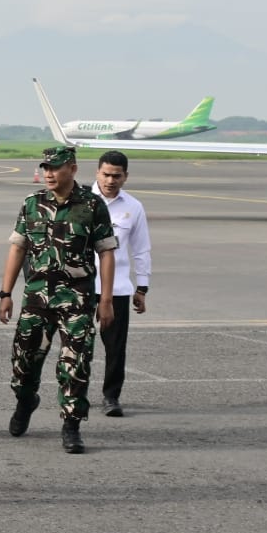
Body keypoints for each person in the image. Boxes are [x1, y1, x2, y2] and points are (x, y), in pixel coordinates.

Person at [0, 147, 117, 454]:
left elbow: (105, 252)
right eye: (45, 168)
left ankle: (71, 425)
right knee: (23, 364)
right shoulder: (32, 203)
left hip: (77, 300)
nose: (49, 173)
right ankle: (26, 402)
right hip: (36, 299)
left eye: (56, 168)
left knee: (76, 364)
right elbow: (18, 248)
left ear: (73, 170)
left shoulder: (92, 205)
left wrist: (106, 300)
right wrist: (5, 293)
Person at [92, 151, 151, 417]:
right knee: (77, 344)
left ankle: (111, 396)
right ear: (97, 173)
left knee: (115, 346)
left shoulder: (133, 207)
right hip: (81, 284)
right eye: (106, 174)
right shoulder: (83, 202)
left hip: (116, 287)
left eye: (117, 175)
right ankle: (74, 393)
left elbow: (141, 249)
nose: (110, 180)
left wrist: (142, 287)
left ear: (125, 177)